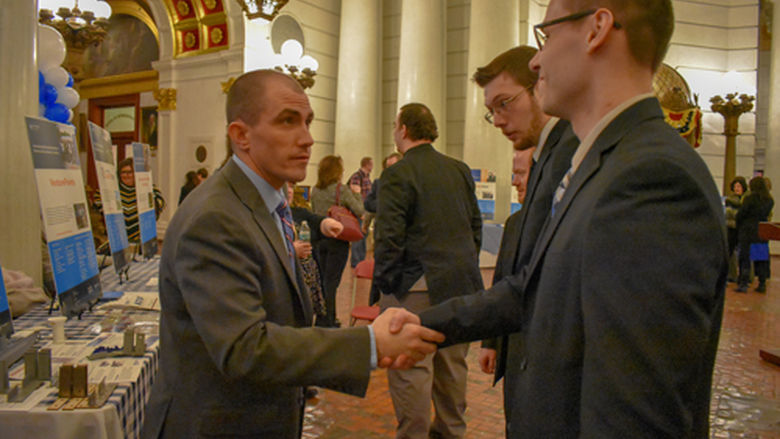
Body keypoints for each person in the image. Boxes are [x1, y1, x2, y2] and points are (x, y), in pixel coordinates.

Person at [393, 2, 728, 437]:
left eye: (546, 37)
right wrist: (424, 324)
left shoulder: (653, 177)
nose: (536, 60)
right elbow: (534, 290)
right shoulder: (604, 161)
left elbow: (636, 414)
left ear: (598, 29)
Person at [141, 69, 444, 439]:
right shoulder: (216, 217)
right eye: (287, 121)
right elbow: (244, 348)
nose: (307, 139)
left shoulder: (262, 204)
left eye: (307, 122)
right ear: (241, 136)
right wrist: (369, 343)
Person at [374, 102, 483, 439]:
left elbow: (388, 235)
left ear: (404, 130)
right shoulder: (459, 169)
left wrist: (390, 285)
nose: (394, 131)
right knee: (453, 367)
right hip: (460, 285)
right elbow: (475, 226)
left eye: (395, 125)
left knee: (412, 371)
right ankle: (452, 432)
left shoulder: (398, 172)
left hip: (415, 287)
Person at [310, 155, 366, 327]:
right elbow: (359, 209)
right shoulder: (341, 189)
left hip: (318, 240)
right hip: (337, 240)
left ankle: (323, 316)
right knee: (332, 282)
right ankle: (329, 319)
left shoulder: (315, 190)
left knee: (321, 280)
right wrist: (357, 194)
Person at [285, 182, 343, 324]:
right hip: (288, 282)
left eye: (292, 187)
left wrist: (327, 223)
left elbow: (316, 221)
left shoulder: (299, 213)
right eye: (284, 187)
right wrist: (292, 251)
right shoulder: (267, 217)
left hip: (309, 279)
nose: (289, 191)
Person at [93, 157, 165, 243]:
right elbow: (99, 203)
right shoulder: (112, 189)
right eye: (123, 172)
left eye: (130, 172)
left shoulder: (148, 188)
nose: (127, 175)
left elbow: (159, 204)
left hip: (142, 239)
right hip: (115, 239)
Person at [736, 176, 774, 293]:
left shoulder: (750, 199)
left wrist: (739, 223)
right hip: (761, 231)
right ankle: (762, 284)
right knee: (760, 258)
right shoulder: (769, 200)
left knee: (745, 258)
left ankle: (743, 283)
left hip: (748, 230)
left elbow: (741, 214)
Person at [348, 156, 373, 268]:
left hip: (366, 211)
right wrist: (360, 212)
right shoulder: (357, 176)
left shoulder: (367, 177)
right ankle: (356, 262)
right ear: (367, 165)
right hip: (359, 212)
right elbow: (355, 195)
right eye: (371, 164)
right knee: (357, 237)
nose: (372, 166)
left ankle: (361, 261)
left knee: (363, 235)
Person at [725, 176, 748, 281]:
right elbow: (729, 213)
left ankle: (746, 276)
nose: (737, 188)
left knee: (745, 252)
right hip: (732, 227)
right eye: (735, 186)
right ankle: (731, 274)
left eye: (739, 186)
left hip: (744, 228)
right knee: (731, 252)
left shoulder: (747, 199)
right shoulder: (730, 199)